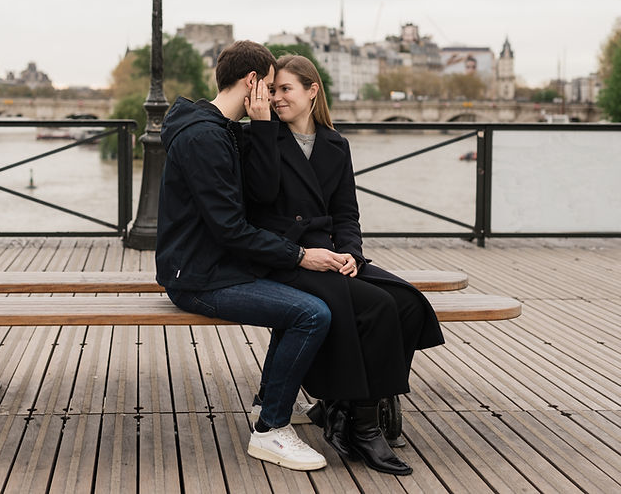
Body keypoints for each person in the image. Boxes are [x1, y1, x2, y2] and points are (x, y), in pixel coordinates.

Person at [241, 54, 445, 476]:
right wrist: (261, 126)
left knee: (405, 302)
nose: (276, 98)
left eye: (285, 89)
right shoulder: (259, 137)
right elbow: (259, 199)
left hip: (330, 253)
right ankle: (364, 428)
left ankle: (344, 407)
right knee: (373, 306)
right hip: (283, 256)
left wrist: (351, 252)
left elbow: (346, 212)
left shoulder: (336, 144)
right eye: (272, 90)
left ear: (312, 90)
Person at [156, 40, 355, 472]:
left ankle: (268, 403)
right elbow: (229, 228)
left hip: (217, 267)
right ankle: (271, 430)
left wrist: (263, 125)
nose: (272, 95)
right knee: (311, 314)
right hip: (200, 277)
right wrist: (300, 255)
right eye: (269, 84)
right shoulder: (205, 137)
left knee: (300, 304)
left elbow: (257, 198)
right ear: (252, 82)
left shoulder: (220, 129)